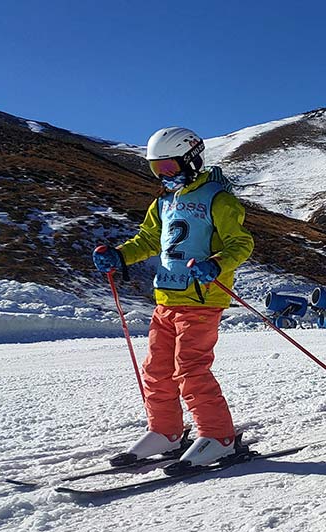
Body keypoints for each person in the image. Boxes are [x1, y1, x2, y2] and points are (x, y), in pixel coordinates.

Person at [92, 126, 254, 472]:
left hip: (202, 299)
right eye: (156, 168)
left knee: (191, 370)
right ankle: (165, 432)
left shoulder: (218, 199)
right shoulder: (163, 202)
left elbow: (241, 244)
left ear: (192, 161)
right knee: (156, 370)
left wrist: (217, 264)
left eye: (169, 167)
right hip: (167, 297)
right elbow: (149, 240)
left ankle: (219, 437)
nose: (163, 175)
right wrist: (120, 255)